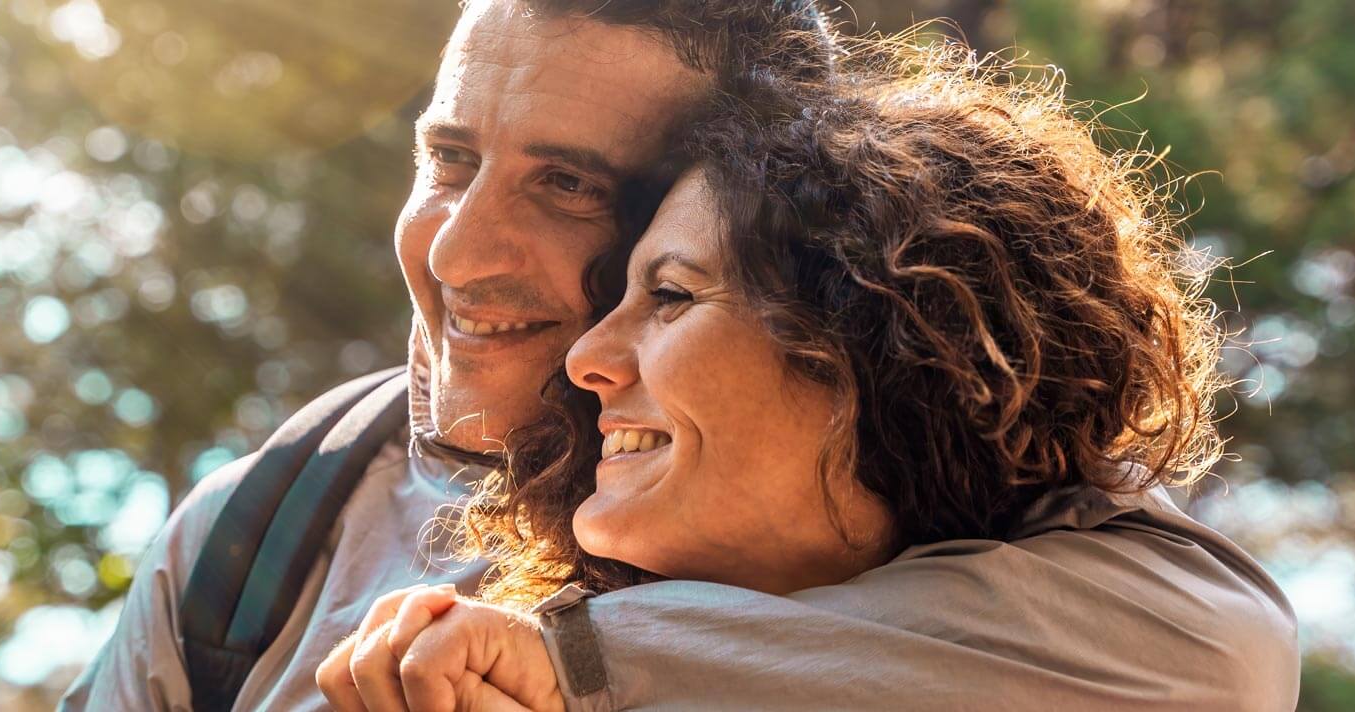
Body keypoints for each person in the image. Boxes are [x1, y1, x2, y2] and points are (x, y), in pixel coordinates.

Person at [318, 33, 1301, 711]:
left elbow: (1216, 653)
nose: (586, 359)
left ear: (890, 350)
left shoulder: (1147, 628)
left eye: (668, 298)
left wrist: (570, 663)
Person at [59, 1, 838, 709]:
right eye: (450, 159)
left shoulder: (892, 517)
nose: (455, 255)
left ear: (743, 211)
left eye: (566, 183)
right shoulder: (252, 534)